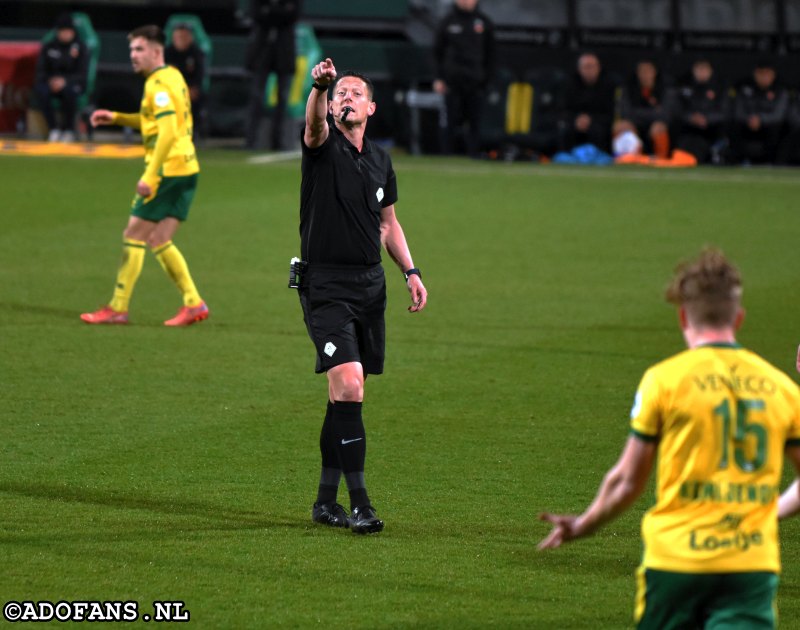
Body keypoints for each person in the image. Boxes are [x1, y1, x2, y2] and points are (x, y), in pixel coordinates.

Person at [539, 248, 800, 629]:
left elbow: (628, 480)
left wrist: (584, 524)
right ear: (739, 318)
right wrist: (768, 513)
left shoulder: (664, 380)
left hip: (676, 563)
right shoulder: (782, 389)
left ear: (683, 317)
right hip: (749, 566)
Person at [298, 58, 428, 534]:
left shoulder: (379, 159)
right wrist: (320, 88)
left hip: (370, 286)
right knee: (350, 384)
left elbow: (388, 223)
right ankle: (361, 504)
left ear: (371, 107)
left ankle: (323, 502)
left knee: (346, 395)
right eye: (339, 95)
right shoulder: (321, 146)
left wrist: (409, 271)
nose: (345, 99)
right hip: (326, 286)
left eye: (354, 93)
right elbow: (312, 125)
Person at [81, 25, 208, 327]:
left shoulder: (157, 84)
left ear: (155, 50)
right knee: (159, 238)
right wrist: (117, 118)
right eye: (131, 50)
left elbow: (165, 133)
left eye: (139, 49)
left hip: (167, 171)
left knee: (133, 235)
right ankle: (193, 303)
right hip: (188, 169)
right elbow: (156, 121)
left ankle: (118, 307)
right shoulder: (174, 76)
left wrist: (151, 176)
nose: (133, 56)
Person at [432, 0, 496, 157]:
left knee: (475, 121)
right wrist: (438, 78)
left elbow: (491, 55)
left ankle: (474, 155)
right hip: (452, 82)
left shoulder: (484, 22)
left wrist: (487, 80)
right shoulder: (447, 22)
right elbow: (436, 53)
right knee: (450, 121)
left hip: (476, 81)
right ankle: (446, 156)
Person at [244, 0, 300, 150]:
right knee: (257, 96)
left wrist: (270, 11)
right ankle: (251, 140)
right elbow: (256, 14)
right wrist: (280, 12)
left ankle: (278, 142)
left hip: (284, 52)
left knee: (282, 98)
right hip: (262, 51)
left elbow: (293, 15)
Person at [34, 12, 88, 143]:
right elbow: (41, 71)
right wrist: (51, 81)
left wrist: (65, 81)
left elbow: (82, 74)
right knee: (41, 91)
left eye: (68, 31)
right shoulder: (49, 46)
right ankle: (54, 129)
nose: (65, 34)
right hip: (51, 82)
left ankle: (68, 130)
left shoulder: (80, 47)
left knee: (70, 92)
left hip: (72, 83)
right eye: (62, 31)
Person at [730, 61, 788, 165]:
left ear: (773, 75)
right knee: (733, 126)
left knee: (781, 128)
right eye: (761, 73)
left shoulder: (780, 90)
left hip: (769, 126)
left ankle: (773, 163)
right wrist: (751, 119)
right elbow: (738, 111)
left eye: (767, 74)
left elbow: (779, 115)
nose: (764, 77)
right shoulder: (744, 87)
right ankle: (735, 162)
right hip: (747, 124)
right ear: (755, 74)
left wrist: (761, 119)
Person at [674, 59, 730, 164]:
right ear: (693, 70)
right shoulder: (684, 85)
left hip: (711, 128)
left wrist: (707, 119)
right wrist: (691, 118)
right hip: (689, 127)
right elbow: (678, 110)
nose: (702, 72)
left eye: (705, 69)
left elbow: (724, 112)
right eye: (699, 69)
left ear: (710, 71)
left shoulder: (719, 86)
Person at [560, 52, 616, 153]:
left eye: (592, 66)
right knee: (565, 131)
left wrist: (590, 120)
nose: (589, 70)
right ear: (579, 69)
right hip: (575, 122)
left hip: (598, 123)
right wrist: (577, 119)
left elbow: (609, 113)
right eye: (586, 67)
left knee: (599, 131)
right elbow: (564, 110)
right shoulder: (569, 85)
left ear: (599, 68)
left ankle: (599, 159)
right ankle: (567, 160)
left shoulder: (608, 85)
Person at [617, 59, 673, 159]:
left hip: (654, 125)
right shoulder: (628, 89)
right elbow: (625, 113)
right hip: (635, 124)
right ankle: (629, 158)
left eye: (648, 71)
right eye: (642, 71)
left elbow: (665, 115)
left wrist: (639, 113)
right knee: (621, 126)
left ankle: (661, 160)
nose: (645, 74)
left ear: (654, 72)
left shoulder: (665, 90)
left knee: (659, 127)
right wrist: (654, 112)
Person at [165, 22, 207, 138]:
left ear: (190, 38)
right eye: (178, 37)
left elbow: (200, 74)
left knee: (194, 99)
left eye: (184, 37)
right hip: (169, 90)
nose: (181, 40)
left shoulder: (197, 53)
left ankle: (191, 133)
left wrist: (191, 88)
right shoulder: (166, 53)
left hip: (189, 89)